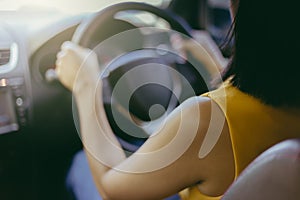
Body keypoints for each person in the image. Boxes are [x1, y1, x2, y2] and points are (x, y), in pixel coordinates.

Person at [55, 0, 300, 199]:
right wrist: (216, 64)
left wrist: (85, 84)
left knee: (82, 165)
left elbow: (111, 187)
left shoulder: (206, 121)